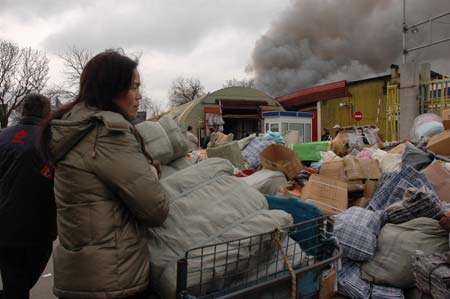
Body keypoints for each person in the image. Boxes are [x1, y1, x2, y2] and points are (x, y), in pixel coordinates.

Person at [40, 50, 170, 299]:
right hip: (115, 279)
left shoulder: (73, 126)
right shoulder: (107, 133)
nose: (139, 95)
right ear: (112, 88)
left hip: (78, 275)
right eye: (133, 87)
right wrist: (152, 172)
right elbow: (156, 210)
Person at [0, 93, 56, 299]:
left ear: (23, 111)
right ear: (47, 113)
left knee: (14, 282)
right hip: (39, 227)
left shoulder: (3, 136)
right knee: (21, 283)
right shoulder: (51, 140)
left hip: (4, 226)